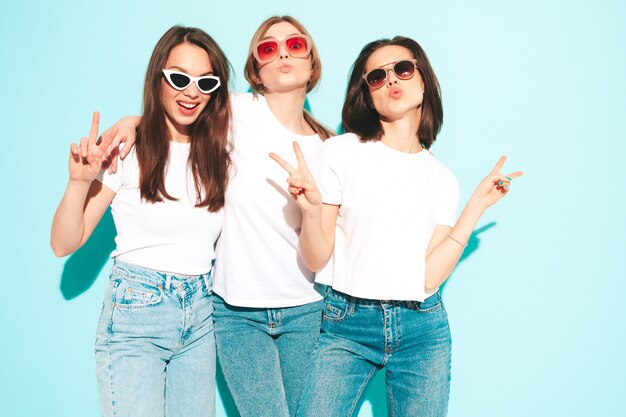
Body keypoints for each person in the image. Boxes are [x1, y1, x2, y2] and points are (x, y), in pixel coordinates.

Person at [270, 36, 523, 416]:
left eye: (403, 69)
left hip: (422, 329)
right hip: (347, 324)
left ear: (423, 81)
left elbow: (428, 278)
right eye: (376, 76)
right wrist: (310, 210)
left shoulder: (442, 178)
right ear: (367, 94)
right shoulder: (341, 151)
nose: (392, 81)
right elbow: (316, 257)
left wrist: (476, 206)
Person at [103, 16, 333, 417]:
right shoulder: (235, 112)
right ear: (255, 70)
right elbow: (181, 110)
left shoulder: (331, 148)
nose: (282, 52)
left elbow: (321, 254)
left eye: (295, 45)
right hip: (236, 312)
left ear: (312, 62)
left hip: (307, 310)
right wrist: (134, 123)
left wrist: (312, 210)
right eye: (268, 47)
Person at [50, 26, 231, 417]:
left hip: (201, 317)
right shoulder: (127, 150)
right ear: (158, 78)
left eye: (205, 81)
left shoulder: (222, 152)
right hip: (137, 314)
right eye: (179, 78)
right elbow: (64, 242)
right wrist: (78, 184)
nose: (191, 92)